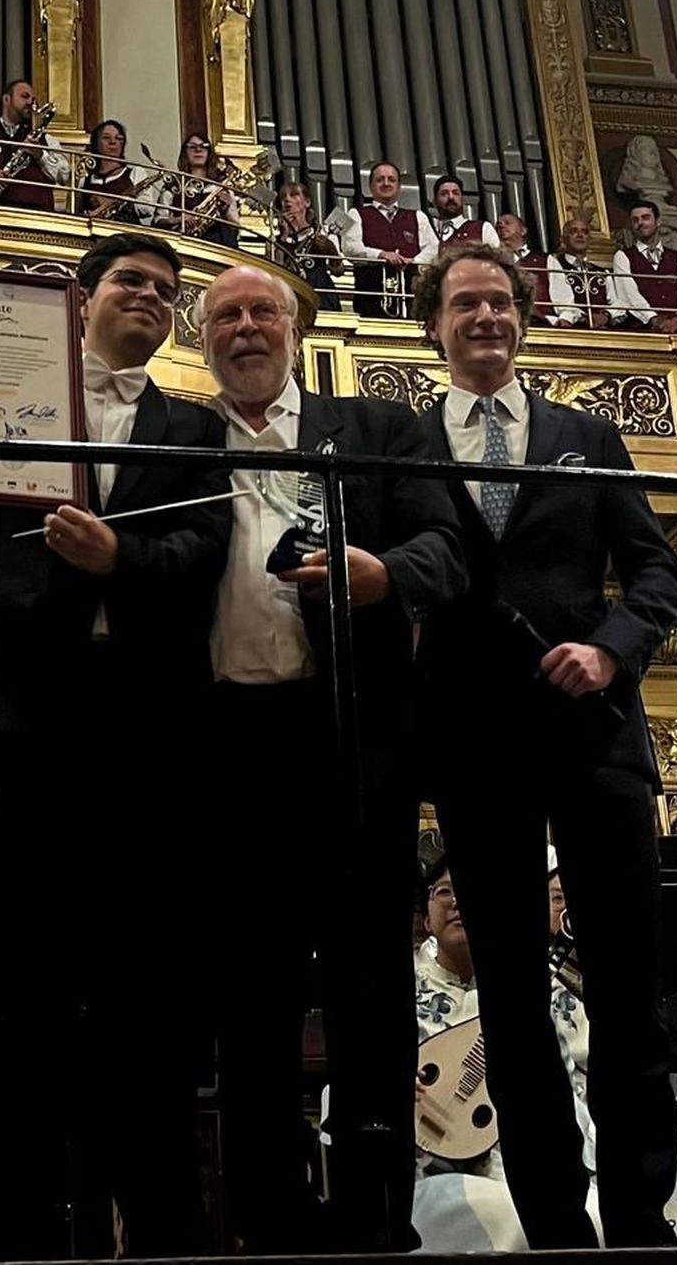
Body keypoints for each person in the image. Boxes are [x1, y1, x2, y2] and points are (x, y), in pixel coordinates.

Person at [0, 231, 232, 1259]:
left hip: (148, 730)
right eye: (132, 282)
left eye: (166, 290)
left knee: (144, 990)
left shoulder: (191, 426)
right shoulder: (2, 397)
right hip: (30, 723)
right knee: (24, 989)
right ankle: (18, 1235)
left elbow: (206, 555)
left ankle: (156, 1233)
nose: (152, 299)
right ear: (83, 298)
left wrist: (119, 553)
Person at [410, 242, 677, 1250]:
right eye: (463, 303)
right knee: (514, 1005)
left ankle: (640, 1222)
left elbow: (655, 574)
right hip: (477, 750)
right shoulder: (404, 442)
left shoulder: (588, 435)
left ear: (520, 317)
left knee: (624, 994)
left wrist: (611, 653)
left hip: (593, 738)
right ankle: (557, 1231)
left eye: (498, 301)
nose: (484, 317)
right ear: (433, 324)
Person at [200, 261, 466, 1252]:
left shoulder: (379, 430)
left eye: (261, 309)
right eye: (223, 315)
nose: (244, 327)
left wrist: (379, 575)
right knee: (249, 1002)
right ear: (205, 340)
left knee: (370, 993)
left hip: (351, 742)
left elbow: (449, 549)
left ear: (298, 326)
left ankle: (375, 1225)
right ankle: (264, 1227)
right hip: (226, 749)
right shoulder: (182, 440)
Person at [0, 77, 69, 210]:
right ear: (6, 100)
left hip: (37, 217)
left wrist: (41, 155)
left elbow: (66, 175)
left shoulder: (46, 140)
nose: (30, 102)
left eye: (32, 99)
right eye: (24, 96)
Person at [340, 160, 430, 318]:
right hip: (370, 296)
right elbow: (350, 248)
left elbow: (434, 249)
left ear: (399, 186)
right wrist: (381, 254)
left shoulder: (418, 216)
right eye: (380, 179)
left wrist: (413, 261)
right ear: (370, 186)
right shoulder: (354, 214)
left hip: (412, 299)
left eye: (391, 179)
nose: (386, 183)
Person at [612, 199, 677, 333]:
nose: (640, 223)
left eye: (646, 218)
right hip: (641, 329)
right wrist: (652, 319)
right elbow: (628, 293)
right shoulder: (622, 256)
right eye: (635, 220)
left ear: (658, 222)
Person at [151, 130, 240, 247]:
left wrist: (226, 211)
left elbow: (235, 229)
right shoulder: (174, 184)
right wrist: (180, 219)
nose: (198, 150)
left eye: (204, 146)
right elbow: (158, 222)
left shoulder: (221, 186)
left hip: (218, 245)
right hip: (183, 244)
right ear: (185, 153)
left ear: (209, 152)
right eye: (192, 147)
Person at [274, 180, 341, 311]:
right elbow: (274, 271)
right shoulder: (274, 240)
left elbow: (338, 271)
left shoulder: (322, 232)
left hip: (319, 292)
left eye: (294, 195)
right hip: (288, 295)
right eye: (283, 197)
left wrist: (331, 250)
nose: (287, 200)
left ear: (307, 202)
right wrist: (283, 237)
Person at [544, 214, 620, 329]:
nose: (580, 235)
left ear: (589, 239)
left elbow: (617, 302)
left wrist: (606, 315)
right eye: (573, 231)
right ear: (563, 239)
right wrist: (583, 317)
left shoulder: (603, 272)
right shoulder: (555, 266)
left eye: (584, 232)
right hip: (571, 329)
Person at [78, 117, 143, 223]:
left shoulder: (135, 173)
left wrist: (110, 203)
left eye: (118, 138)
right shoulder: (85, 178)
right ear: (96, 143)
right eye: (106, 138)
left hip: (126, 233)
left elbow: (146, 209)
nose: (113, 142)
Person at [424, 174, 499, 253]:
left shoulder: (483, 228)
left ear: (463, 200)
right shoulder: (427, 229)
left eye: (456, 193)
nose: (451, 197)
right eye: (444, 194)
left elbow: (498, 259)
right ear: (435, 202)